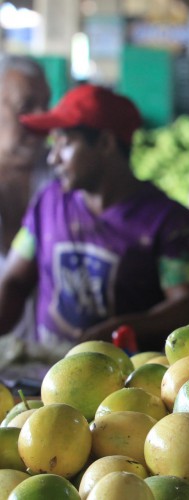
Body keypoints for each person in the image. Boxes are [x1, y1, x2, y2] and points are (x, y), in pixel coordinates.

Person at [0, 84, 189, 358]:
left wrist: (123, 327)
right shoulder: (48, 203)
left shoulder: (170, 221)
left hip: (128, 381)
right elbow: (15, 282)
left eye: (64, 144)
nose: (53, 158)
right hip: (47, 370)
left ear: (105, 143)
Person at [0, 55, 52, 368]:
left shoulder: (65, 176)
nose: (41, 118)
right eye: (26, 105)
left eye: (46, 104)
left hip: (53, 368)